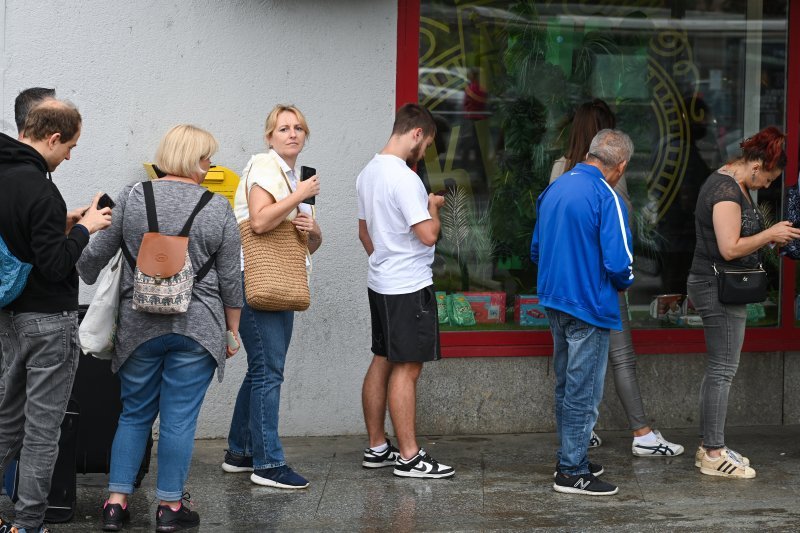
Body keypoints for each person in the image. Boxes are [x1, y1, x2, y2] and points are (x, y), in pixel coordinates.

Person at [77, 125, 243, 531]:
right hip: (197, 327)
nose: (209, 168)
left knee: (133, 414)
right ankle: (169, 508)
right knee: (179, 419)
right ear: (196, 161)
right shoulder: (217, 208)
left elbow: (89, 262)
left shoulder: (133, 196)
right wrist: (231, 332)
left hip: (138, 328)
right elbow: (232, 281)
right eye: (207, 160)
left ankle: (115, 504)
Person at [0, 99, 112, 533]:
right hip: (48, 320)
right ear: (52, 138)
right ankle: (28, 523)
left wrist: (63, 223)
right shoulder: (41, 188)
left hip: (9, 315)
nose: (70, 155)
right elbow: (54, 265)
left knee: (7, 418)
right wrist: (87, 228)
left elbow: (24, 238)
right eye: (71, 146)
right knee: (43, 430)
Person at [550, 99, 684, 458]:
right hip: (598, 288)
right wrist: (624, 279)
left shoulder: (559, 171)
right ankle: (639, 433)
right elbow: (618, 236)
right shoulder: (610, 182)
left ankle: (575, 435)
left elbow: (545, 237)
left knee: (567, 369)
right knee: (618, 359)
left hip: (561, 288)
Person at [688, 126, 800, 479]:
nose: (768, 185)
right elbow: (729, 248)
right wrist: (770, 234)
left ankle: (711, 443)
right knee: (723, 369)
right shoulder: (725, 190)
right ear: (756, 167)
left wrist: (766, 241)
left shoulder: (733, 184)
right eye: (769, 178)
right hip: (716, 287)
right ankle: (713, 452)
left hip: (720, 286)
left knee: (720, 368)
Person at [222, 104, 321, 489]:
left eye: (298, 127)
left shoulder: (292, 176)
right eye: (283, 128)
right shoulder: (266, 166)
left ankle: (240, 452)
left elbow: (309, 244)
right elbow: (260, 221)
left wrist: (311, 226)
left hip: (282, 281)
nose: (292, 134)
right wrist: (299, 196)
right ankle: (268, 463)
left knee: (261, 369)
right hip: (258, 279)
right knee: (269, 371)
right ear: (269, 137)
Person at [532, 128, 634, 496]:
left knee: (566, 386)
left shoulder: (555, 187)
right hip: (590, 304)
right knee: (584, 391)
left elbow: (535, 248)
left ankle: (570, 457)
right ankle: (572, 470)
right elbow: (620, 262)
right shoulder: (606, 195)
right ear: (619, 166)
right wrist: (624, 283)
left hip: (554, 299)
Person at [357, 103, 454, 479]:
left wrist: (385, 258)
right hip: (408, 286)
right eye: (426, 143)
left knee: (382, 357)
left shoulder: (367, 173)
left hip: (380, 282)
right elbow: (428, 234)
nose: (425, 151)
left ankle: (378, 447)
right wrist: (433, 206)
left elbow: (364, 233)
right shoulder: (405, 178)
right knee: (407, 368)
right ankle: (410, 457)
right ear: (416, 133)